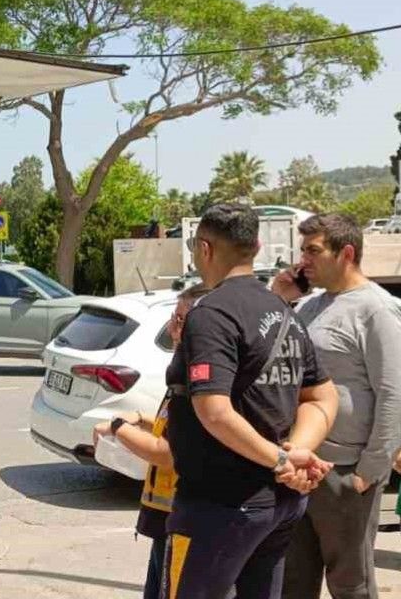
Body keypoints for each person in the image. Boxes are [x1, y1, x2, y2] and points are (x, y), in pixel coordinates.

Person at [162, 203, 339, 599]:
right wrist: (294, 453)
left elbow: (214, 411)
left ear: (204, 249)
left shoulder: (211, 314)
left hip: (220, 504)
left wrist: (283, 459)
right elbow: (323, 396)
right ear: (256, 247)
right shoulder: (283, 312)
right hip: (277, 503)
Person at [272, 213, 401, 599]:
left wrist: (369, 471)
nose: (303, 261)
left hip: (345, 473)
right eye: (302, 251)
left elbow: (393, 392)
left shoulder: (377, 310)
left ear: (346, 253)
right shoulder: (309, 307)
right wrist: (279, 297)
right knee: (293, 583)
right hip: (300, 467)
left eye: (313, 251)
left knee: (351, 586)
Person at [91, 282, 210, 599]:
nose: (172, 328)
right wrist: (141, 419)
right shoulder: (183, 371)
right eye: (173, 317)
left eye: (180, 321)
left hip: (185, 519)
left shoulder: (201, 379)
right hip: (168, 517)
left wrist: (118, 427)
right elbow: (171, 426)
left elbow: (167, 452)